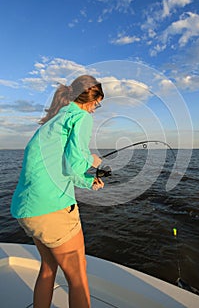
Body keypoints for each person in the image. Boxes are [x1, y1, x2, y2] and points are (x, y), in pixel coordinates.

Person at [11, 75, 104, 308]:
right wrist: (93, 161)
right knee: (78, 278)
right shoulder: (80, 116)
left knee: (48, 268)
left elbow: (61, 167)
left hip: (28, 210)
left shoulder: (53, 121)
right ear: (91, 100)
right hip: (52, 210)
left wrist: (88, 182)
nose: (95, 109)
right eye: (97, 104)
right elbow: (75, 163)